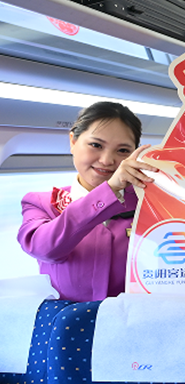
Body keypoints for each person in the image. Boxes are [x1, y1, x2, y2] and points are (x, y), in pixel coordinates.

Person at [18, 101, 156, 302]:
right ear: (73, 141)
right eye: (96, 145)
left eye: (123, 150)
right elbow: (44, 249)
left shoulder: (150, 204)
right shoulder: (41, 203)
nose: (107, 160)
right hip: (67, 320)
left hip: (135, 318)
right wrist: (109, 191)